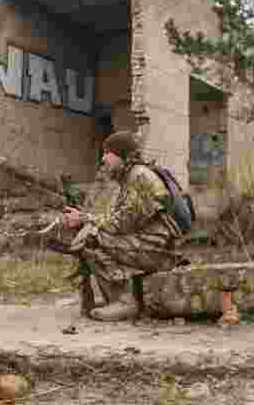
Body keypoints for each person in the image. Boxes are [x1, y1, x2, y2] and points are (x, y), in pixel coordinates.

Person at [56, 131, 186, 321]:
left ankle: (123, 302)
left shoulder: (139, 177)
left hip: (159, 250)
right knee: (91, 232)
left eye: (107, 153)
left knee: (90, 238)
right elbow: (120, 219)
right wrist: (85, 219)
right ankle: (116, 299)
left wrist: (84, 218)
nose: (103, 159)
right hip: (151, 244)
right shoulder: (130, 176)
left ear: (122, 155)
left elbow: (122, 223)